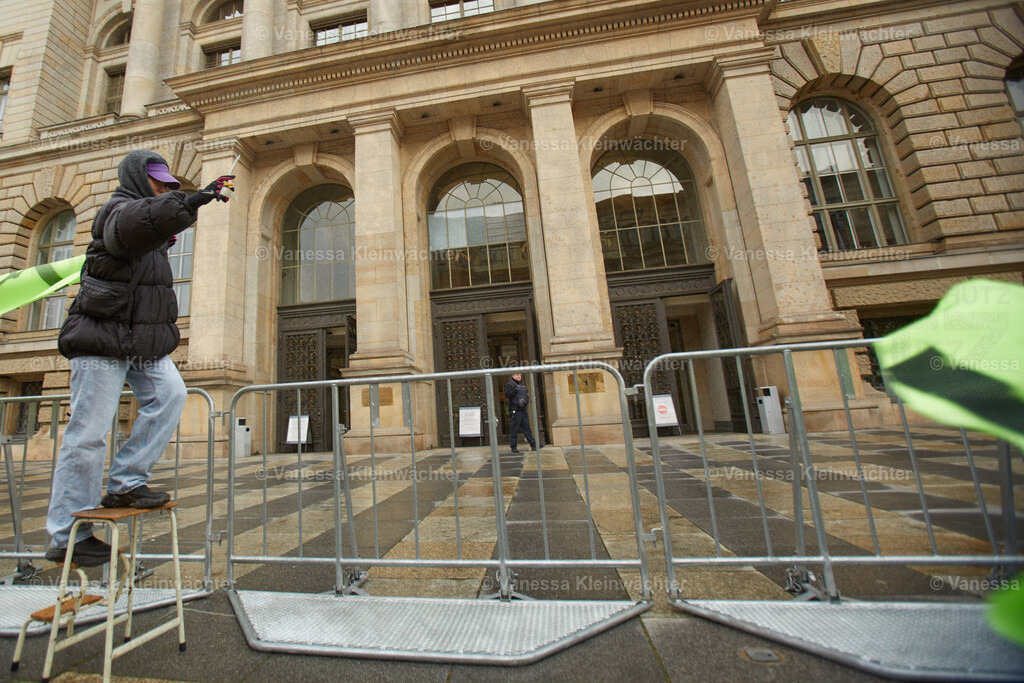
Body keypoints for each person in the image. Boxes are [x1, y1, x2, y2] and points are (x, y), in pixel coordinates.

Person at [44, 150, 234, 567]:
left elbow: (152, 229)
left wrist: (186, 205)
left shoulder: (151, 231)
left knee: (171, 395)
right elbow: (137, 225)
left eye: (170, 184)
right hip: (101, 338)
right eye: (160, 182)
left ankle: (127, 483)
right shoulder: (116, 212)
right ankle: (67, 535)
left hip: (139, 342)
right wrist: (187, 201)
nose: (167, 187)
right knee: (88, 433)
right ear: (136, 179)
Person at [503, 372, 536, 453]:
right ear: (513, 375)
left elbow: (526, 395)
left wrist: (526, 401)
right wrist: (514, 390)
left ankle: (533, 445)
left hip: (523, 409)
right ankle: (513, 446)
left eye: (520, 375)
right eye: (517, 375)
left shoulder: (522, 385)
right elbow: (507, 394)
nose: (519, 376)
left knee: (526, 427)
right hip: (515, 409)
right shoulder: (510, 384)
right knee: (515, 428)